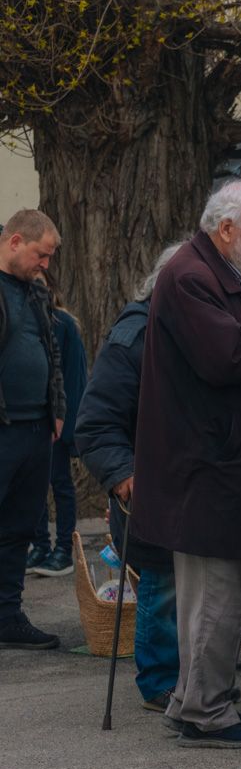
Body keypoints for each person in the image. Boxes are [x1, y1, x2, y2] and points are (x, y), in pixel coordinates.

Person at [130, 180, 241, 749]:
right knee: (214, 598)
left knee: (212, 597)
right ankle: (205, 711)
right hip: (209, 469)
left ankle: (195, 700)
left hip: (212, 466)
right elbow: (230, 356)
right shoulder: (193, 277)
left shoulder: (202, 273)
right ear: (226, 230)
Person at [76, 242, 186, 712]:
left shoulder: (190, 329)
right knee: (161, 584)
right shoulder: (135, 336)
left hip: (189, 483)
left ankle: (193, 678)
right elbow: (96, 422)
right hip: (149, 489)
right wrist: (123, 475)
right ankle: (160, 681)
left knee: (188, 587)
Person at [0, 210, 65, 650]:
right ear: (15, 241)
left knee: (20, 527)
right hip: (4, 428)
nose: (45, 264)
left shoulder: (36, 292)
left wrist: (56, 407)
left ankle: (8, 617)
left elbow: (52, 351)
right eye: (41, 255)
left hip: (36, 429)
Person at [26, 271, 87, 577]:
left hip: (57, 422)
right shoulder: (23, 322)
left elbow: (74, 377)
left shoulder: (64, 324)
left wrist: (66, 424)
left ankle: (64, 549)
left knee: (60, 483)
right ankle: (39, 545)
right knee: (33, 486)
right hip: (30, 420)